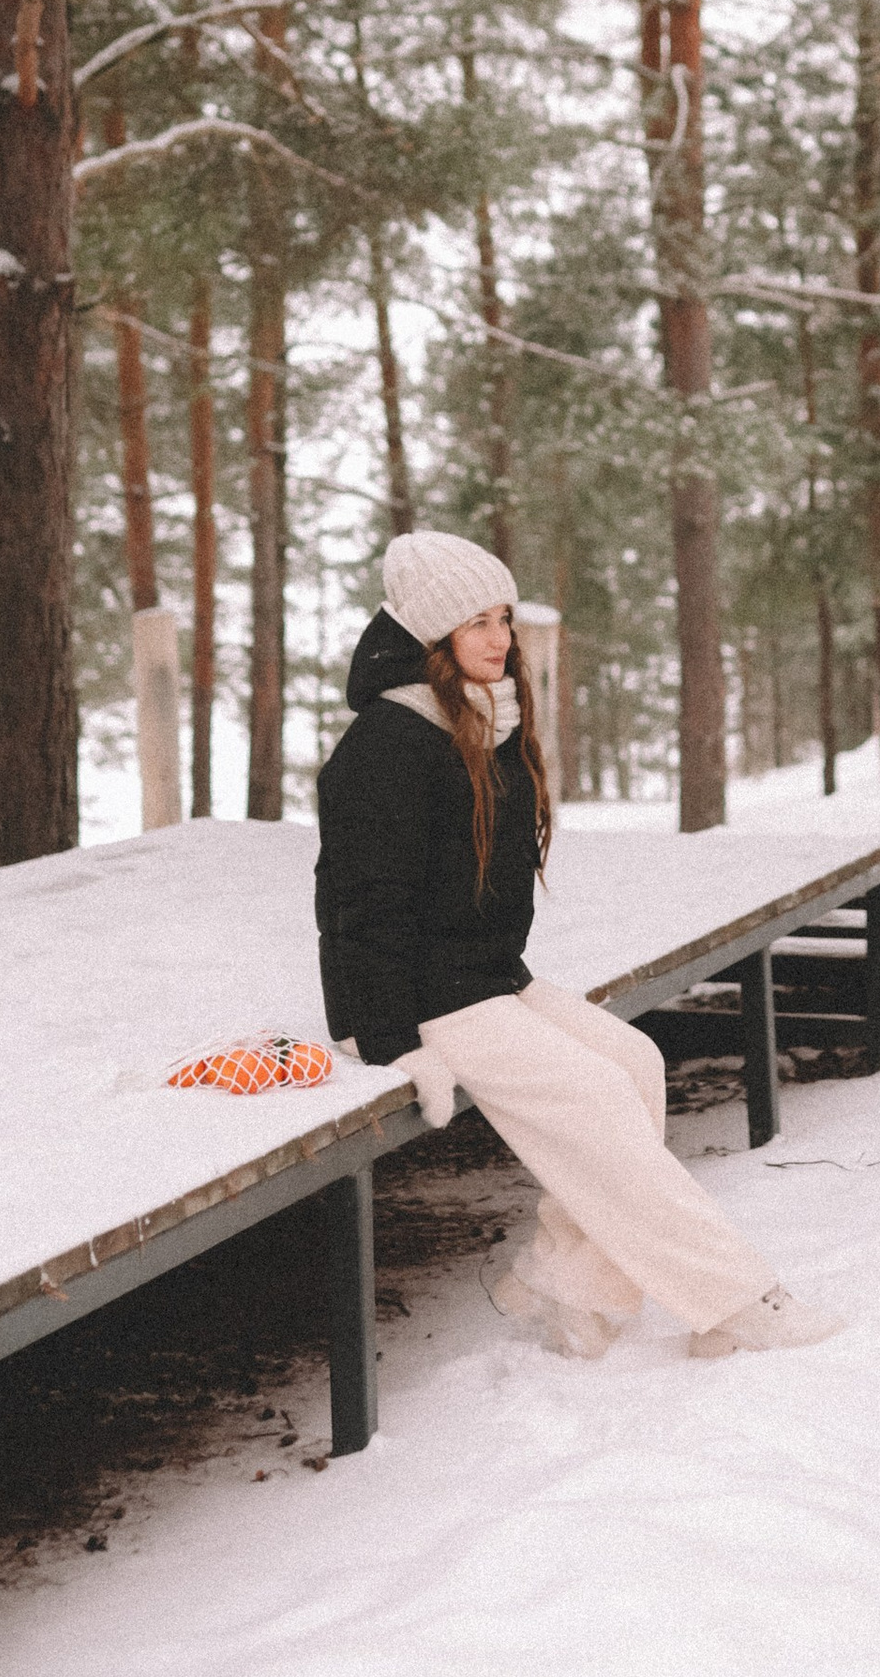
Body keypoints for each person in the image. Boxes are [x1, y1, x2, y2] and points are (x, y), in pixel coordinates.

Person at [314, 530, 843, 1361]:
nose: (501, 639)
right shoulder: (385, 747)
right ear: (431, 637)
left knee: (635, 1063)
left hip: (487, 977)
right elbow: (357, 912)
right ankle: (735, 1298)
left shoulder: (486, 720)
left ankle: (571, 1289)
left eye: (505, 619)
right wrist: (389, 1043)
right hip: (422, 1001)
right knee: (596, 1094)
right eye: (479, 623)